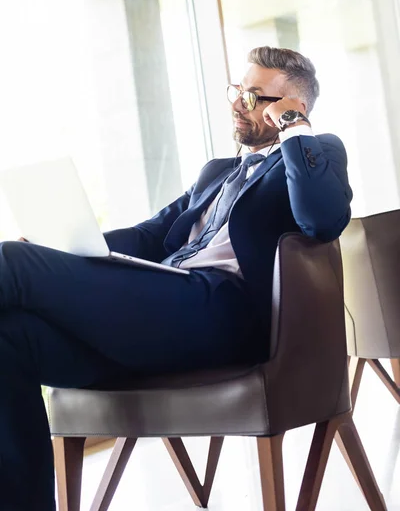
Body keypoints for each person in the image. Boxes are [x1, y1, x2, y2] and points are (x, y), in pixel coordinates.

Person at [0, 46, 352, 510]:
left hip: (222, 311)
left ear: (290, 107)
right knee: (11, 338)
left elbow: (322, 219)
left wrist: (296, 130)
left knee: (11, 263)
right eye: (236, 91)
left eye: (252, 96)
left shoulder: (314, 151)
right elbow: (151, 234)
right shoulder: (217, 172)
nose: (236, 103)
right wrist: (56, 244)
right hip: (165, 303)